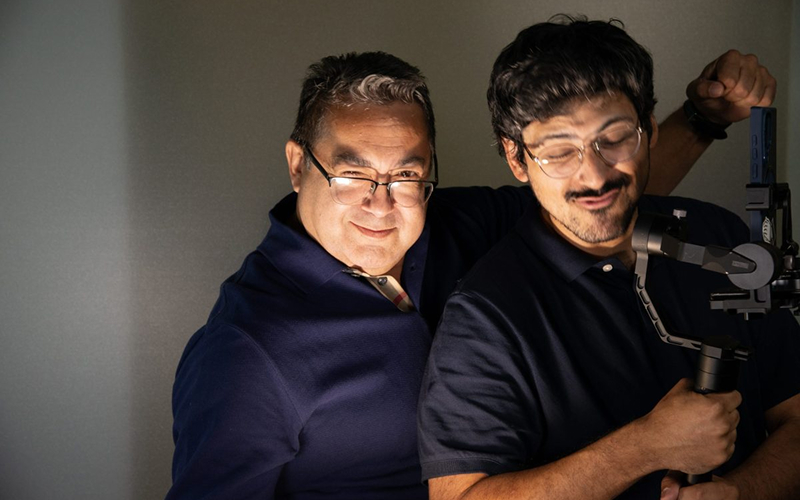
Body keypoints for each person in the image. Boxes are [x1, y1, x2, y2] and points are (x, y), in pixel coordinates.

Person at [167, 42, 776, 499]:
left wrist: (704, 119)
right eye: (352, 175)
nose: (381, 204)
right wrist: (645, 447)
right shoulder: (245, 350)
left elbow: (590, 200)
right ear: (299, 164)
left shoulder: (451, 224)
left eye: (406, 175)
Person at [417, 17, 800, 500]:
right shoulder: (485, 316)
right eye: (558, 151)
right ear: (517, 160)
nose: (594, 176)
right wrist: (644, 447)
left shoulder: (721, 238)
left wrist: (741, 491)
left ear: (650, 130)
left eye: (615, 138)